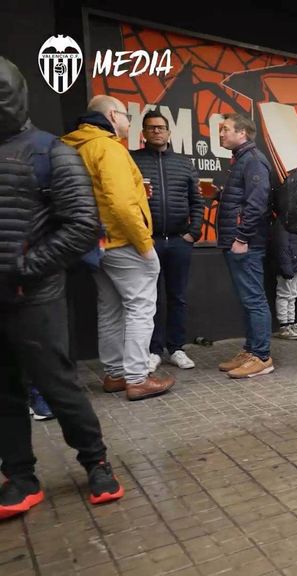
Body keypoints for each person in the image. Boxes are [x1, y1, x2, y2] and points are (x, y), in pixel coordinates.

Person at [0, 57, 124, 517]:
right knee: (4, 393)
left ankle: (96, 462)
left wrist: (27, 266)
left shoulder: (51, 152)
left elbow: (80, 226)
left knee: (59, 385)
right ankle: (19, 476)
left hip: (35, 296)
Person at [63, 95, 174, 400]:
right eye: (126, 115)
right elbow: (122, 205)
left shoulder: (71, 146)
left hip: (91, 243)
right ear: (113, 115)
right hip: (122, 241)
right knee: (140, 307)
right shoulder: (109, 147)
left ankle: (115, 375)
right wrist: (144, 244)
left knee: (109, 308)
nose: (128, 122)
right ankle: (137, 378)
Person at [131, 110, 204, 369]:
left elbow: (197, 201)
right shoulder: (133, 160)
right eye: (151, 128)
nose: (156, 131)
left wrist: (192, 233)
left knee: (178, 297)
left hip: (178, 241)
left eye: (161, 127)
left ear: (169, 132)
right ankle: (153, 350)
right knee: (150, 299)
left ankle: (176, 348)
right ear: (143, 133)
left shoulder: (184, 164)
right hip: (146, 242)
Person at [215, 113, 275, 378]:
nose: (221, 134)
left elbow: (257, 204)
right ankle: (251, 350)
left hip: (246, 243)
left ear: (243, 133)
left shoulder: (252, 160)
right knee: (248, 299)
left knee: (254, 299)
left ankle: (262, 357)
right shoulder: (242, 160)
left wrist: (241, 238)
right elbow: (244, 199)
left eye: (225, 129)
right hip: (238, 241)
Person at [272, 217, 297, 340]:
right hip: (288, 264)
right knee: (285, 293)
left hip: (293, 263)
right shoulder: (283, 223)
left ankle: (291, 323)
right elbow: (282, 246)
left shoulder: (291, 222)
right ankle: (284, 325)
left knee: (292, 294)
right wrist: (287, 267)